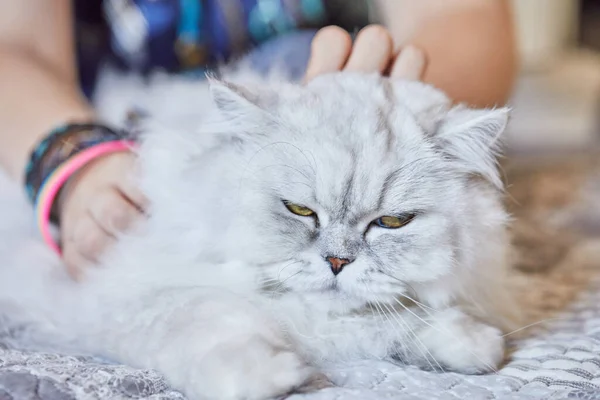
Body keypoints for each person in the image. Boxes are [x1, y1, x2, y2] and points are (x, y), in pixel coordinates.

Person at [0, 0, 516, 279]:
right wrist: (75, 160)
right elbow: (14, 45)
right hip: (105, 117)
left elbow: (461, 14)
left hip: (327, 81)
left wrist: (403, 118)